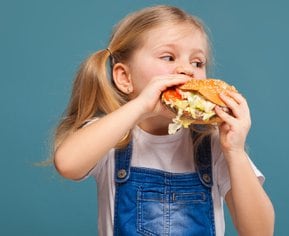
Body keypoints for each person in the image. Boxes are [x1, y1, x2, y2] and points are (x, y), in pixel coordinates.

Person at [53, 5, 274, 236]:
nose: (187, 70)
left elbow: (260, 232)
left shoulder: (215, 144)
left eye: (198, 63)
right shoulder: (111, 136)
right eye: (168, 57)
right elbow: (67, 164)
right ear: (125, 77)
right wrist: (140, 106)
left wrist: (235, 151)